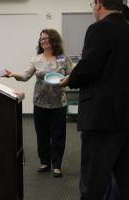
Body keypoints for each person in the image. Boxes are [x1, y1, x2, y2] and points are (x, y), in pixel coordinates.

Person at [60, 0, 129, 199]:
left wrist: (70, 79)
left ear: (98, 4)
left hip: (102, 118)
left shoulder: (100, 29)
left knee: (93, 183)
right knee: (125, 183)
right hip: (125, 117)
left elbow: (89, 67)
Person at [6, 29, 73, 177]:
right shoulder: (36, 59)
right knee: (42, 134)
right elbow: (25, 76)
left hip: (58, 104)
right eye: (41, 39)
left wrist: (67, 79)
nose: (42, 41)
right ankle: (44, 162)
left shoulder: (63, 58)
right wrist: (13, 74)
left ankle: (56, 165)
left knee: (58, 136)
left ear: (53, 40)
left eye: (45, 38)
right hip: (40, 103)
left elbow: (71, 75)